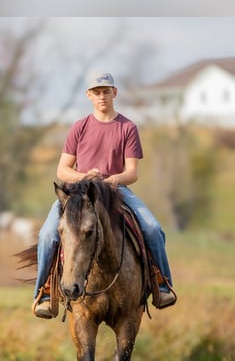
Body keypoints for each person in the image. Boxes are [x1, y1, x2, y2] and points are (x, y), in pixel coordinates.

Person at [32, 72, 176, 319]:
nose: (102, 96)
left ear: (114, 93)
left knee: (152, 228)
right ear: (89, 95)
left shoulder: (127, 127)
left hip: (115, 189)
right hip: (79, 191)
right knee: (47, 234)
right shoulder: (79, 127)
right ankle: (45, 292)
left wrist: (110, 180)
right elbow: (62, 170)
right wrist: (86, 176)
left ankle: (161, 284)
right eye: (97, 92)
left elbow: (132, 173)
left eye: (106, 91)